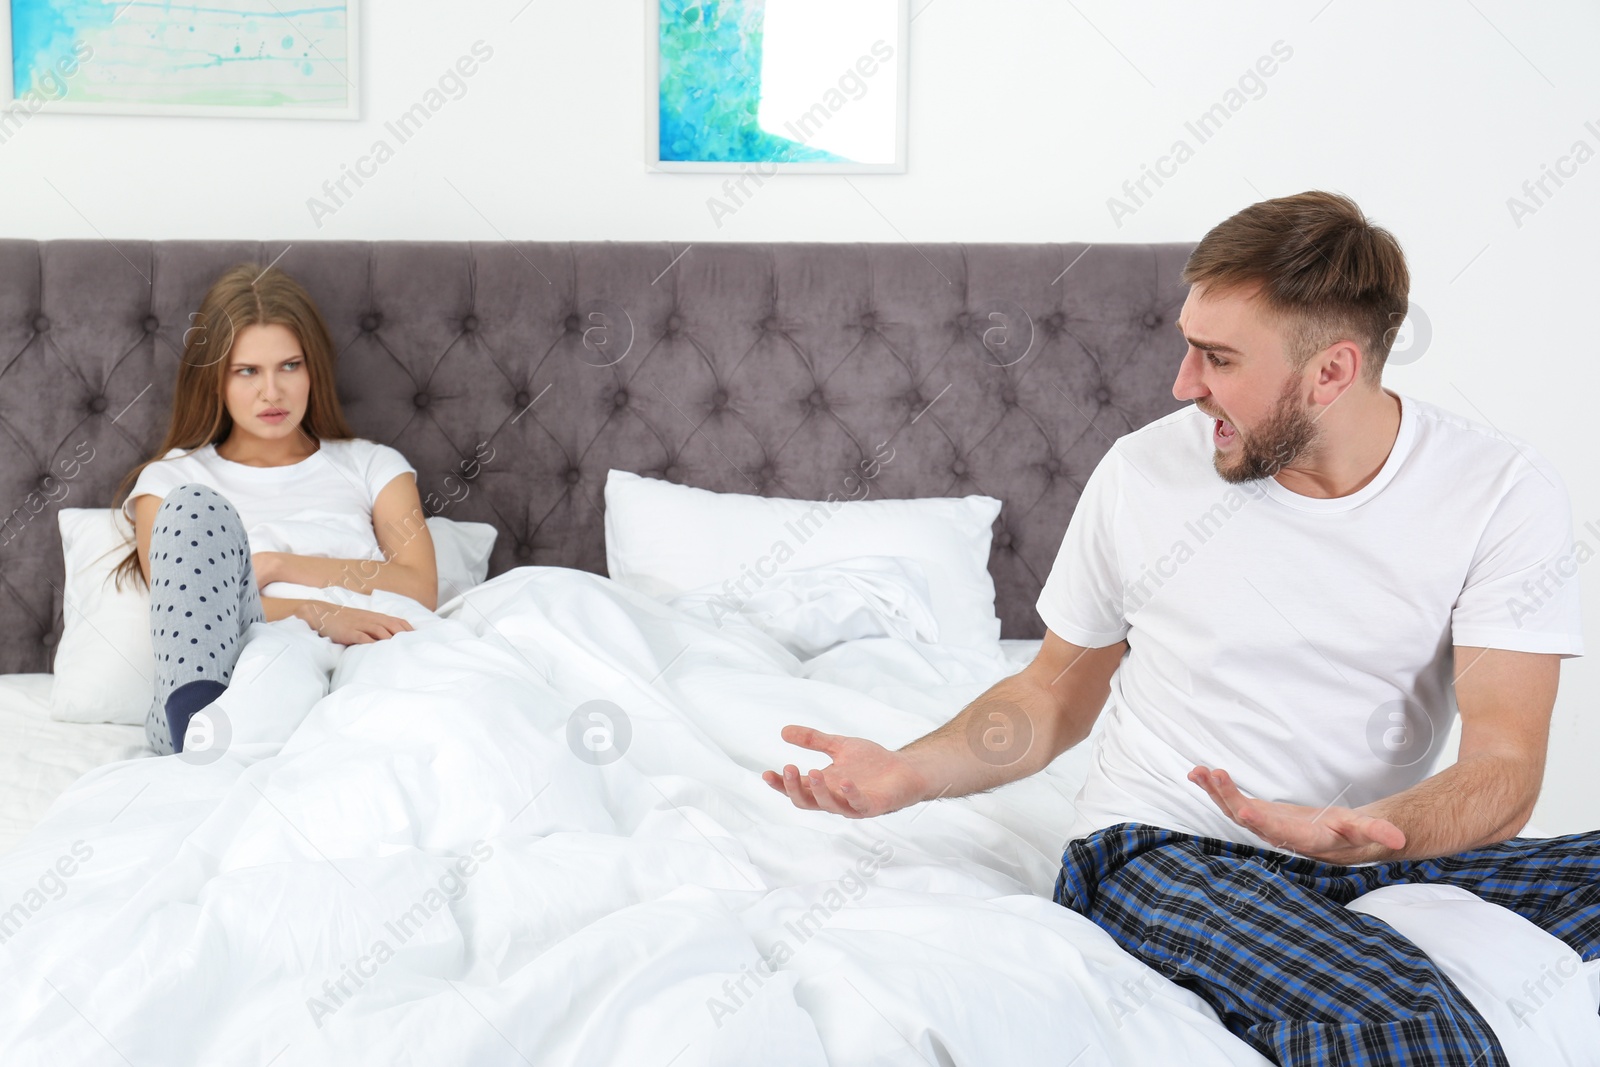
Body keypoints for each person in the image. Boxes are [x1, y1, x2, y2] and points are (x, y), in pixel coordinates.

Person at [761, 190, 1594, 1066]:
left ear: (1333, 372)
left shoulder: (1499, 491)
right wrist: (910, 771)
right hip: (1167, 853)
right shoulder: (1143, 473)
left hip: (1371, 858)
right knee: (1410, 1022)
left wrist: (1374, 828)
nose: (1183, 384)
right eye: (1189, 345)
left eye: (1218, 358)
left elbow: (1505, 764)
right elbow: (1052, 692)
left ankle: (1334, 936)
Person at [111, 264, 437, 757]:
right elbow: (185, 611)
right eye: (247, 371)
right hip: (239, 662)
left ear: (313, 370)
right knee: (197, 512)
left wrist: (279, 565)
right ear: (215, 379)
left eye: (290, 365)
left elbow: (419, 586)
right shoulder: (172, 480)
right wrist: (315, 612)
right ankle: (195, 730)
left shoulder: (371, 465)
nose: (272, 392)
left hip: (370, 649)